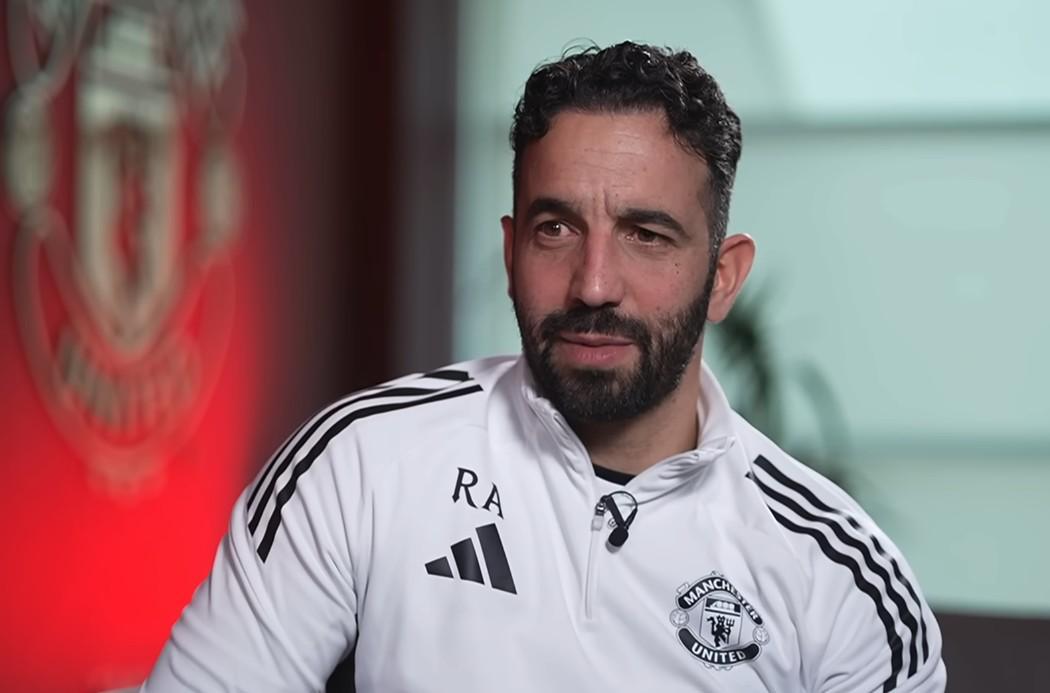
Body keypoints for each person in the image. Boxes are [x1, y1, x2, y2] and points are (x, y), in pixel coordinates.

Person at [143, 41, 946, 692]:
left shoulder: (839, 578)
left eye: (647, 235)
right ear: (510, 250)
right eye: (555, 229)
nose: (593, 284)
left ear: (723, 277)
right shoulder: (363, 461)